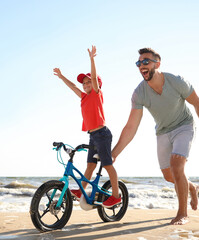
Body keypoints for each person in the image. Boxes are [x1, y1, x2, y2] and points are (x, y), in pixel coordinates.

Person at [112, 48, 199, 225]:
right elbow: (131, 127)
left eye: (146, 61)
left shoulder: (176, 81)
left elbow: (198, 104)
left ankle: (182, 214)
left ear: (157, 63)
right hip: (162, 131)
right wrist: (114, 153)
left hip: (184, 126)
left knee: (177, 164)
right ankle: (192, 187)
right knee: (169, 176)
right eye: (139, 63)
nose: (141, 65)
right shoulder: (139, 93)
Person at [53, 45, 121, 208]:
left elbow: (95, 77)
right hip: (93, 135)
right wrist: (62, 77)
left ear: (96, 84)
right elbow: (73, 87)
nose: (85, 85)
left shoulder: (96, 95)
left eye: (88, 82)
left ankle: (116, 196)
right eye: (84, 83)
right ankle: (80, 190)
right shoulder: (83, 97)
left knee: (107, 165)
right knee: (90, 165)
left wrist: (92, 59)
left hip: (103, 134)